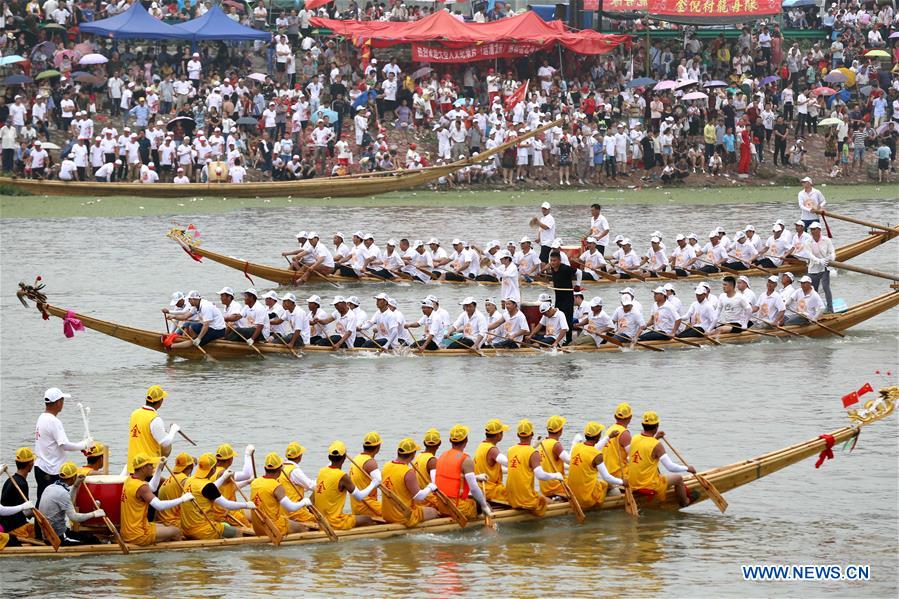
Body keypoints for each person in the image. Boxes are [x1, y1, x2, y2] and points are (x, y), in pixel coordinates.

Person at [34, 387, 91, 507]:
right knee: (54, 504)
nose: (63, 403)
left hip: (40, 467)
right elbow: (64, 445)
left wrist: (80, 446)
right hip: (51, 469)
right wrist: (84, 444)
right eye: (62, 400)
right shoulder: (54, 421)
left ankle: (38, 519)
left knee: (42, 501)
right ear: (58, 402)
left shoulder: (42, 417)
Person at [628, 412, 697, 507]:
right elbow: (670, 467)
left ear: (643, 425)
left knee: (660, 474)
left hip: (632, 482)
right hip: (648, 484)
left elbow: (646, 447)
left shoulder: (634, 438)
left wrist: (656, 438)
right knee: (678, 478)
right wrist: (687, 468)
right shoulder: (657, 445)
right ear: (656, 427)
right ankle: (685, 502)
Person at [180, 453, 254, 540]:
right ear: (213, 469)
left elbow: (209, 489)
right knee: (240, 533)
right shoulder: (207, 486)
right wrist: (246, 505)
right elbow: (227, 505)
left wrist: (223, 478)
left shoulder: (190, 480)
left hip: (186, 529)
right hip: (204, 530)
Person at [313, 441, 377, 530]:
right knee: (367, 519)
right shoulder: (342, 476)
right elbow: (359, 497)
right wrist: (374, 483)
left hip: (321, 519)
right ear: (344, 458)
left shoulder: (322, 471)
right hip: (334, 522)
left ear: (329, 457)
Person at [506, 420, 564, 516]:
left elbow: (523, 457)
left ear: (518, 435)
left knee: (538, 494)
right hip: (525, 499)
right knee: (545, 501)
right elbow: (540, 476)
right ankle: (556, 504)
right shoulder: (533, 453)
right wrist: (556, 476)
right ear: (532, 434)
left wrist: (534, 446)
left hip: (510, 497)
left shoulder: (510, 450)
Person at [37, 461, 104, 546]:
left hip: (48, 536)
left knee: (87, 537)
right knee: (93, 540)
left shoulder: (50, 487)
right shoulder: (62, 493)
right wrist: (94, 514)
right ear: (73, 478)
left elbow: (69, 503)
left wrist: (76, 485)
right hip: (58, 539)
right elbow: (74, 517)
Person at [433, 425, 492, 520]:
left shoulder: (443, 455)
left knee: (474, 498)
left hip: (441, 504)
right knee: (484, 503)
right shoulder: (466, 460)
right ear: (466, 440)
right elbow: (474, 489)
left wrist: (476, 477)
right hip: (456, 508)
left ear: (450, 440)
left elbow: (453, 476)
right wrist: (484, 506)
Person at [380, 439, 440, 527]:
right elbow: (419, 496)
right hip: (404, 516)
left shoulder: (386, 465)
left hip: (386, 514)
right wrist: (430, 487)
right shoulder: (408, 472)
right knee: (434, 512)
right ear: (413, 455)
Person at [249, 453, 311, 536]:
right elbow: (291, 508)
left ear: (265, 468)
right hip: (273, 527)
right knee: (302, 528)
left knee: (285, 519)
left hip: (257, 526)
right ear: (280, 470)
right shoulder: (277, 487)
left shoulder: (255, 482)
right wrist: (304, 502)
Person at [568, 422, 626, 510]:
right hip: (586, 499)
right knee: (609, 484)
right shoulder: (597, 455)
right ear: (598, 436)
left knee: (603, 483)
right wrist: (622, 482)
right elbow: (607, 477)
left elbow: (592, 449)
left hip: (572, 494)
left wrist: (608, 437)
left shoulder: (577, 447)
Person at [126, 385, 180, 474]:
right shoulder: (155, 419)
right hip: (147, 468)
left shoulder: (134, 414)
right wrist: (173, 430)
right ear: (161, 401)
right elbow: (165, 443)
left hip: (133, 466)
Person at [0, 448, 37, 542]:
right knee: (39, 531)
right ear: (30, 464)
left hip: (5, 523)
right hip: (14, 527)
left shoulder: (9, 480)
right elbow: (27, 513)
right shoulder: (22, 484)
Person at [473, 419, 510, 504]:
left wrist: (509, 470)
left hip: (480, 487)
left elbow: (491, 469)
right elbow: (508, 462)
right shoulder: (492, 450)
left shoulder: (481, 446)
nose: (503, 435)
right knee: (518, 494)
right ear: (497, 435)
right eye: (502, 432)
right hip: (490, 490)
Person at [349, 432, 383, 518]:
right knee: (396, 511)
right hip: (368, 507)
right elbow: (379, 481)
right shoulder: (370, 462)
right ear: (378, 447)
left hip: (356, 507)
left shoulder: (356, 459)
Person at [545, 250, 577, 342]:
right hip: (558, 298)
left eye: (554, 260)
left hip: (568, 299)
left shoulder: (565, 268)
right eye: (551, 260)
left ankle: (569, 340)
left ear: (559, 261)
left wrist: (577, 285)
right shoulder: (552, 268)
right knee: (558, 317)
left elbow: (579, 272)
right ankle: (559, 338)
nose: (552, 262)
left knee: (567, 319)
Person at [804, 222, 835, 313]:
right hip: (813, 269)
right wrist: (819, 261)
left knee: (826, 287)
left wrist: (831, 259)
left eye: (814, 229)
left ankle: (830, 309)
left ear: (819, 230)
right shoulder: (808, 242)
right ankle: (813, 310)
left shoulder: (826, 240)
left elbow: (832, 252)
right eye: (811, 229)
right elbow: (809, 255)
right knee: (813, 290)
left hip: (825, 268)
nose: (812, 231)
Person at [537, 416, 570, 498]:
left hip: (544, 487)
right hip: (556, 486)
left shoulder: (542, 443)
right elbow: (569, 460)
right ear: (561, 430)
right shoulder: (556, 445)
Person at [602, 403, 633, 481]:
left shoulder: (610, 429)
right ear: (630, 417)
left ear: (615, 416)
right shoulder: (625, 433)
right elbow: (633, 457)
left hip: (606, 473)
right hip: (620, 474)